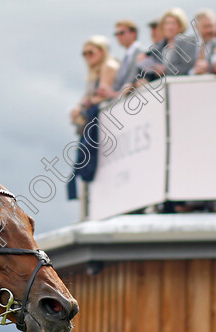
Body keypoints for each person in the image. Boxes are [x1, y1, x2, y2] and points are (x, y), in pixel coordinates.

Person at [67, 35, 119, 201]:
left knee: (86, 156)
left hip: (102, 123)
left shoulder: (108, 67)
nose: (87, 56)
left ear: (102, 51)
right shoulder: (95, 73)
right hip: (95, 123)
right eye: (84, 54)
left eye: (91, 52)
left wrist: (84, 105)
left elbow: (101, 96)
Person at [99, 20, 145, 97]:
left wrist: (114, 94)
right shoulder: (126, 57)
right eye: (116, 34)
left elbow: (133, 80)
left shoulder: (142, 53)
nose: (119, 37)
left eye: (122, 33)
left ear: (134, 33)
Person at [191, 9, 216, 74]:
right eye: (205, 27)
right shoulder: (183, 44)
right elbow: (173, 68)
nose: (209, 30)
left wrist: (209, 68)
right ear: (196, 27)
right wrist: (193, 71)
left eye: (211, 26)